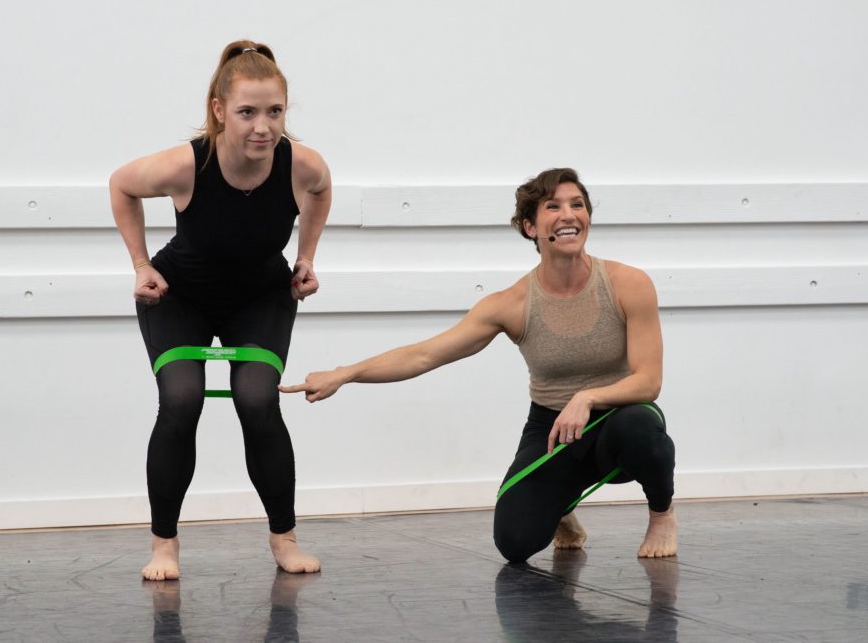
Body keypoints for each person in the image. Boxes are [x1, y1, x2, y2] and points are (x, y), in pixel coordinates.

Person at [280, 168, 676, 562]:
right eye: (553, 206)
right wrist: (345, 374)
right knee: (514, 543)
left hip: (619, 424)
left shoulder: (628, 283)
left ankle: (661, 515)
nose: (569, 214)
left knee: (641, 428)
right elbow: (424, 354)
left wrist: (589, 396)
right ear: (530, 227)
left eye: (578, 204)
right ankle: (562, 504)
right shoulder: (512, 304)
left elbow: (648, 381)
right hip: (553, 429)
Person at [110, 39, 331, 579]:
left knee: (256, 400)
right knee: (182, 400)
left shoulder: (300, 163)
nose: (263, 126)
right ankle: (164, 546)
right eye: (247, 112)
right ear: (218, 111)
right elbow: (121, 185)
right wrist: (141, 265)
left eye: (274, 112)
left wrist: (305, 258)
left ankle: (285, 539)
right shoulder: (187, 164)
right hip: (179, 297)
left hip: (259, 298)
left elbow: (321, 191)